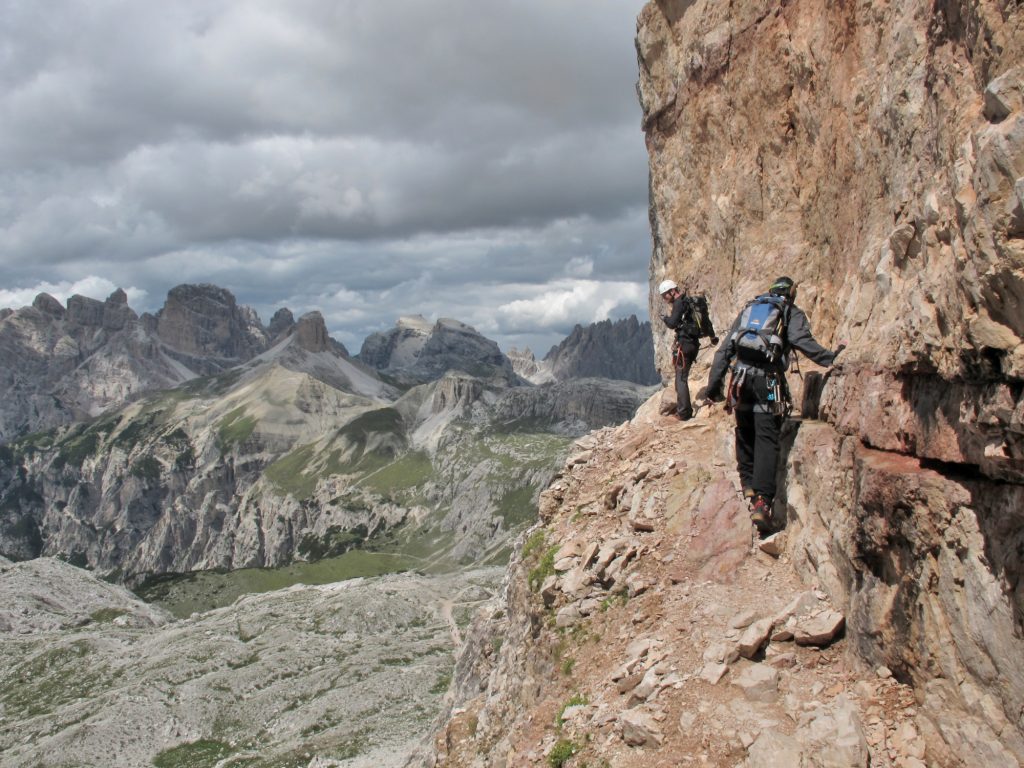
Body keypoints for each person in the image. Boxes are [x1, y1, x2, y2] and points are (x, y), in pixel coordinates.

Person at [704, 276, 844, 531]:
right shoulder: (788, 311)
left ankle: (748, 484)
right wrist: (829, 359)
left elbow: (724, 350)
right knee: (767, 433)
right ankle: (762, 502)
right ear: (790, 294)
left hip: (740, 379)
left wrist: (713, 388)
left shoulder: (750, 310)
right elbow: (802, 342)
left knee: (744, 428)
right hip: (768, 383)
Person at [658, 279, 718, 421]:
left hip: (684, 345)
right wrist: (712, 337)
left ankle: (684, 412)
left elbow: (672, 323)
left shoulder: (679, 304)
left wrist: (665, 318)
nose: (665, 298)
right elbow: (706, 321)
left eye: (665, 295)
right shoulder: (690, 302)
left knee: (681, 378)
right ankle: (683, 408)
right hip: (693, 344)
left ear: (672, 291)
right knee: (682, 376)